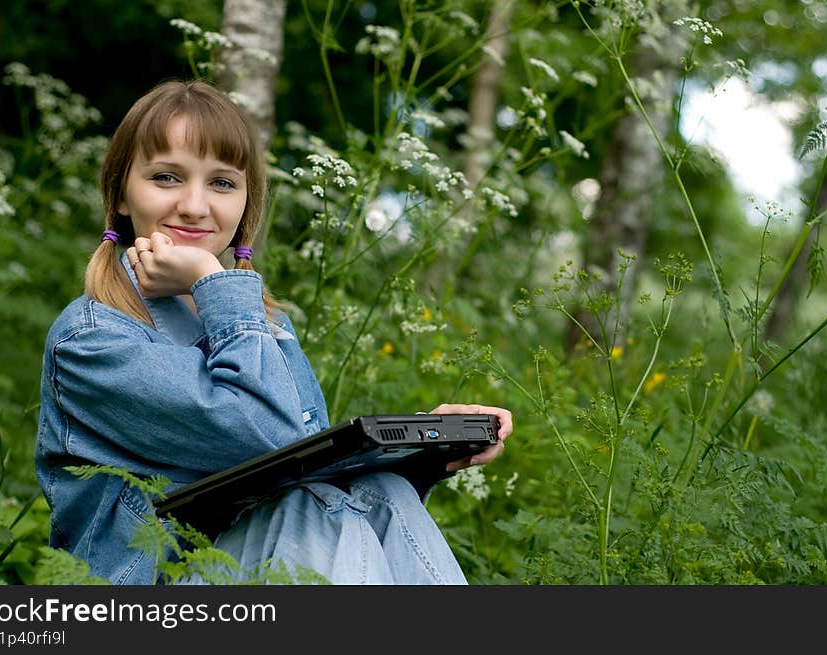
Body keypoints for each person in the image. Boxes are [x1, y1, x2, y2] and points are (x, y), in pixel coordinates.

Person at [35, 79, 513, 585]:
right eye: (167, 177)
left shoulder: (265, 325)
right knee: (312, 511)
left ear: (246, 204)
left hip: (255, 569)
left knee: (385, 495)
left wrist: (424, 454)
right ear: (122, 195)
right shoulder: (92, 341)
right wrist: (211, 279)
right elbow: (267, 437)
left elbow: (301, 466)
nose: (196, 206)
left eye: (222, 183)